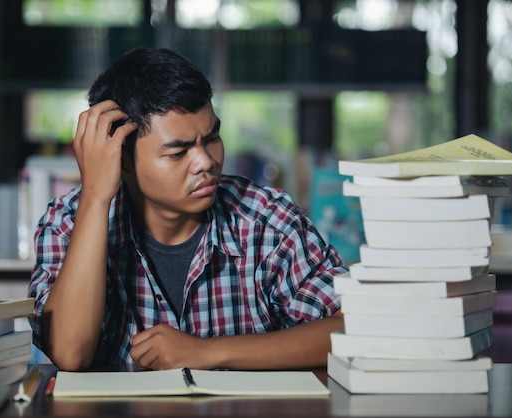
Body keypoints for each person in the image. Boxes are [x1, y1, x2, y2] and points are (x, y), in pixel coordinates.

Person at [28, 47, 346, 372]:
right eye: (178, 152)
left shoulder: (267, 220)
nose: (206, 162)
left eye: (212, 138)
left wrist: (206, 352)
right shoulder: (66, 222)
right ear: (120, 159)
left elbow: (354, 328)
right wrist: (95, 197)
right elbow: (69, 353)